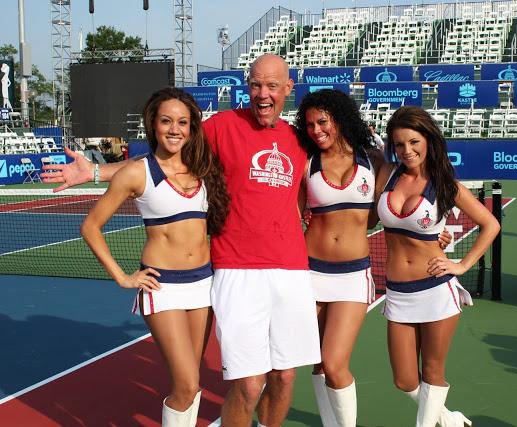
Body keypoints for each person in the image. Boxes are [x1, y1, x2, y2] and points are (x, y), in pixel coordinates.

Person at [43, 54, 321, 427]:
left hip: (251, 275)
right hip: (228, 272)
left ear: (289, 88)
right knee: (233, 385)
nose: (263, 93)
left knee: (280, 377)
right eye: (255, 84)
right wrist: (95, 170)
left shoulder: (298, 139)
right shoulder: (223, 125)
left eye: (272, 85)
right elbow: (164, 155)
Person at [80, 87, 230, 426]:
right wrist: (123, 276)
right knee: (187, 384)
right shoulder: (137, 172)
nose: (174, 129)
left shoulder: (204, 167)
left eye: (182, 122)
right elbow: (91, 226)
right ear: (153, 124)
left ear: (192, 128)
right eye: (166, 121)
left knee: (193, 386)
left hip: (203, 285)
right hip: (163, 288)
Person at [373, 106, 500, 427]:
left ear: (428, 140)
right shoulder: (387, 174)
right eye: (399, 144)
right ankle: (449, 418)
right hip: (398, 292)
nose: (407, 151)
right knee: (404, 379)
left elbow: (490, 223)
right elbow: (370, 220)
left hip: (435, 290)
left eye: (414, 142)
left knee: (432, 372)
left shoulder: (445, 184)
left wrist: (462, 264)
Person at [295, 89, 382, 426]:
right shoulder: (307, 163)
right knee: (316, 360)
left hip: (352, 276)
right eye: (310, 125)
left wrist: (438, 232)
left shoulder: (373, 159)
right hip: (310, 271)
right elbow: (290, 216)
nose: (316, 130)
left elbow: (401, 201)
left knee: (334, 362)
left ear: (340, 118)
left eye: (322, 121)